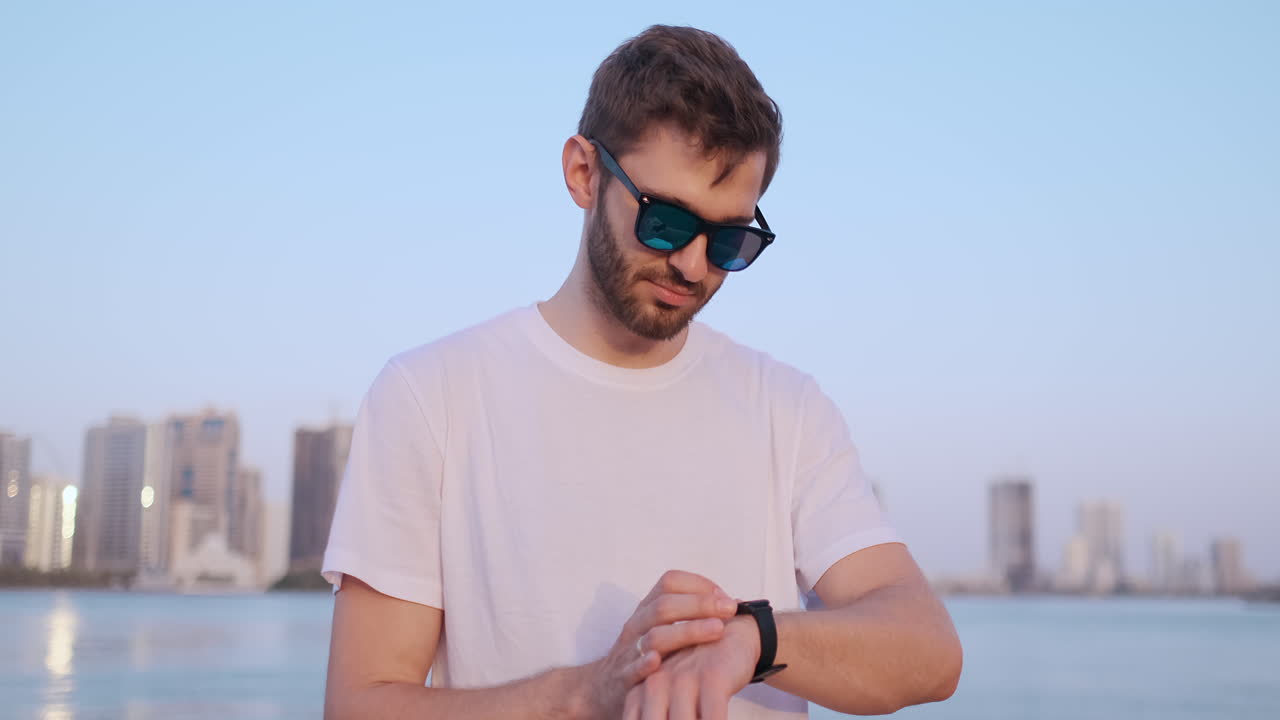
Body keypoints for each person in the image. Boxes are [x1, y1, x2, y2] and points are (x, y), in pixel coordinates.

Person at [321, 24, 961, 720]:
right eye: (666, 222)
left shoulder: (788, 409)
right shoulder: (430, 398)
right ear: (583, 173)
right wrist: (589, 692)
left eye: (729, 240)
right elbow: (360, 703)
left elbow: (928, 651)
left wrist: (753, 639)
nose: (692, 265)